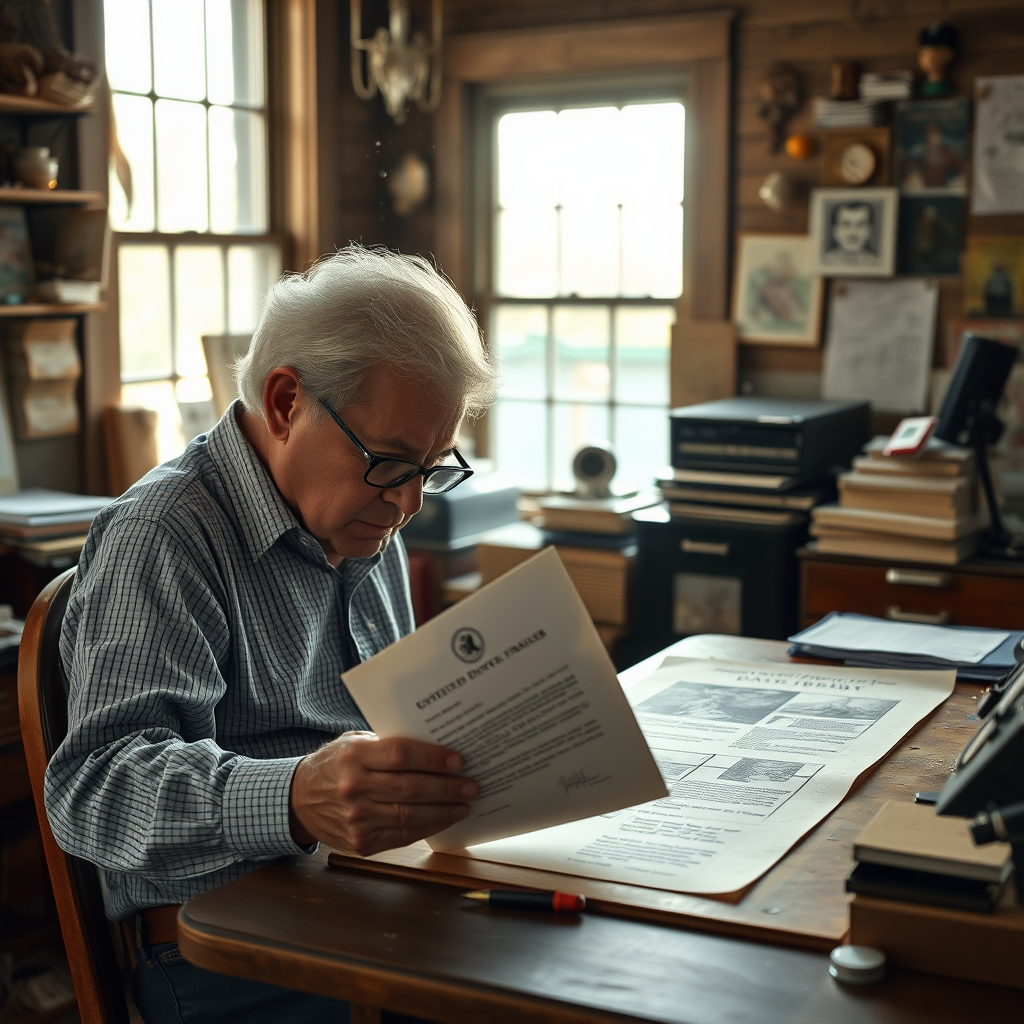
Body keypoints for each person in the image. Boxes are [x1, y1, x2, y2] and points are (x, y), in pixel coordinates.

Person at [44, 246, 499, 1024]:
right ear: (287, 402)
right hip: (226, 950)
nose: (413, 502)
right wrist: (294, 798)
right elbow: (94, 788)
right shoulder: (164, 537)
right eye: (393, 463)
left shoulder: (367, 514)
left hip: (363, 906)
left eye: (434, 466)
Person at [822, 201, 877, 267]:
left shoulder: (878, 263)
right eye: (846, 224)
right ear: (835, 230)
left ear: (869, 230)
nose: (853, 232)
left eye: (861, 224)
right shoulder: (823, 262)